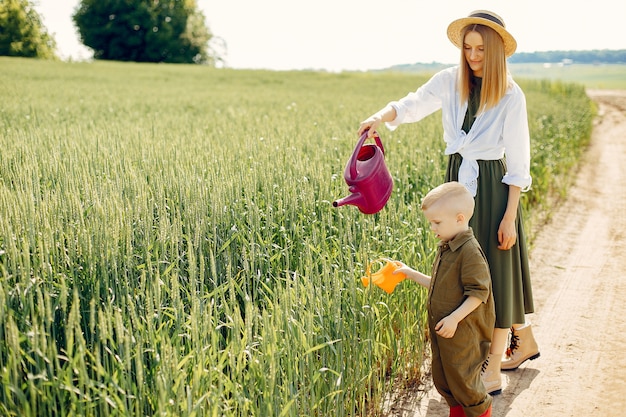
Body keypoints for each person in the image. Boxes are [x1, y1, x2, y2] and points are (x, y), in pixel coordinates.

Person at [357, 10, 540, 396]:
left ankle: (491, 368)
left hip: (492, 183)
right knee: (461, 267)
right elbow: (412, 104)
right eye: (468, 48)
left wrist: (510, 216)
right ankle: (519, 342)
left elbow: (519, 163)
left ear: (495, 52)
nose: (473, 56)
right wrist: (378, 116)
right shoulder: (449, 80)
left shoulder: (510, 93)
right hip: (457, 178)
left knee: (495, 270)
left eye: (480, 50)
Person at [393, 181, 495, 417]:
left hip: (463, 334)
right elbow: (441, 286)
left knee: (466, 385)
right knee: (448, 381)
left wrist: (454, 318)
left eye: (437, 222)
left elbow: (479, 293)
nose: (432, 227)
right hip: (448, 333)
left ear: (460, 218)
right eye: (431, 222)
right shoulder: (449, 246)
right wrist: (410, 273)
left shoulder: (469, 251)